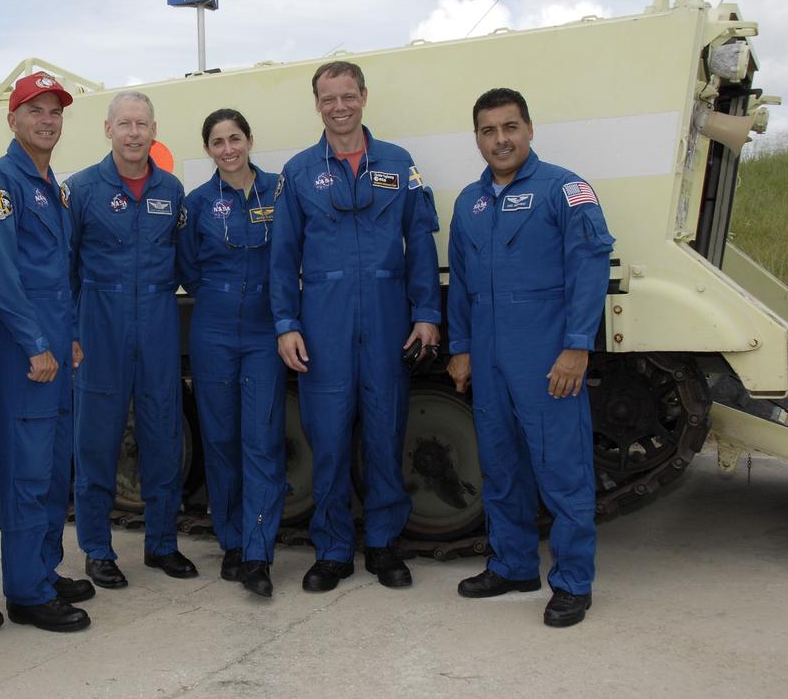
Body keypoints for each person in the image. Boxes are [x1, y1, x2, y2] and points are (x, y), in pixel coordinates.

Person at [269, 61, 441, 593]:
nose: (338, 107)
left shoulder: (397, 162)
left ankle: (385, 545)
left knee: (387, 434)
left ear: (363, 96)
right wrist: (286, 322)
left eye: (348, 95)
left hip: (388, 316)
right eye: (328, 98)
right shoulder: (298, 172)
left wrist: (427, 313)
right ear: (316, 104)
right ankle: (334, 549)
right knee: (329, 438)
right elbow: (281, 257)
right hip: (324, 318)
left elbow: (421, 241)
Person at [447, 87, 614, 628]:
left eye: (510, 127)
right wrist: (461, 348)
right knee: (500, 467)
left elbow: (590, 270)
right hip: (489, 355)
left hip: (546, 356)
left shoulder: (565, 189)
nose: (501, 139)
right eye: (489, 131)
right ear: (477, 138)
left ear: (529, 129)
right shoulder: (468, 204)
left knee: (561, 471)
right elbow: (461, 285)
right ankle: (513, 565)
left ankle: (572, 582)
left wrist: (576, 346)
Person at [0, 72, 93, 632]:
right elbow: (0, 277)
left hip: (52, 342)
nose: (48, 120)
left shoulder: (52, 185)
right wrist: (37, 343)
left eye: (55, 112)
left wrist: (65, 334)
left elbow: (60, 275)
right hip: (23, 350)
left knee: (52, 467)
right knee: (25, 470)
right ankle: (25, 592)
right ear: (13, 119)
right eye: (36, 110)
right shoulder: (1, 183)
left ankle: (43, 568)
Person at [68, 90, 196, 588]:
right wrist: (73, 329)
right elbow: (66, 267)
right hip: (100, 321)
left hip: (159, 319)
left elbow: (186, 261)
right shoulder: (82, 189)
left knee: (163, 433)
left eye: (142, 123)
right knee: (97, 439)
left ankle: (162, 544)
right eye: (124, 123)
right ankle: (97, 549)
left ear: (153, 129)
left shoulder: (172, 190)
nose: (133, 132)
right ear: (108, 129)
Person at [177, 109, 286, 597]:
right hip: (214, 329)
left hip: (266, 330)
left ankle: (259, 553)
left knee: (261, 439)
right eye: (217, 142)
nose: (228, 149)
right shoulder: (198, 203)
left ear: (249, 140)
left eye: (235, 138)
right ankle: (233, 544)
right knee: (220, 441)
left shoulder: (280, 191)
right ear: (208, 150)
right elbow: (187, 267)